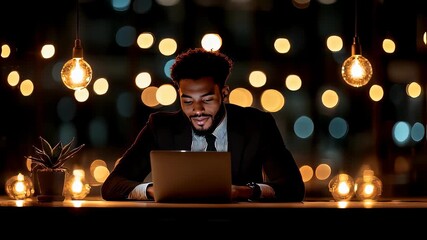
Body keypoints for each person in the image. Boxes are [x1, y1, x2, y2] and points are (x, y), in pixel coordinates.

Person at [101, 47, 305, 202]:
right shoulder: (161, 126)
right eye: (187, 101)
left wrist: (245, 191)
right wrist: (156, 190)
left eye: (207, 100)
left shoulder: (257, 125)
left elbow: (293, 187)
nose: (197, 110)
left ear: (224, 93)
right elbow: (112, 185)